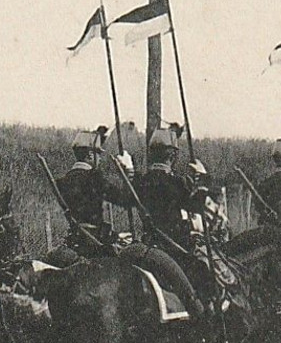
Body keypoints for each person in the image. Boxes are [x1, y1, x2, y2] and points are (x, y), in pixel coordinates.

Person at [122, 127, 211, 329]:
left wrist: (129, 173)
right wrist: (203, 182)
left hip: (148, 244)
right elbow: (196, 207)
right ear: (172, 156)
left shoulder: (142, 182)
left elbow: (128, 197)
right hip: (174, 247)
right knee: (203, 272)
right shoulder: (176, 183)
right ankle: (202, 322)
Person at [46, 127, 136, 264]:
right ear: (89, 155)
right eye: (98, 154)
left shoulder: (63, 181)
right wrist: (128, 172)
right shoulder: (94, 177)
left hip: (75, 239)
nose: (99, 159)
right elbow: (125, 199)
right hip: (96, 242)